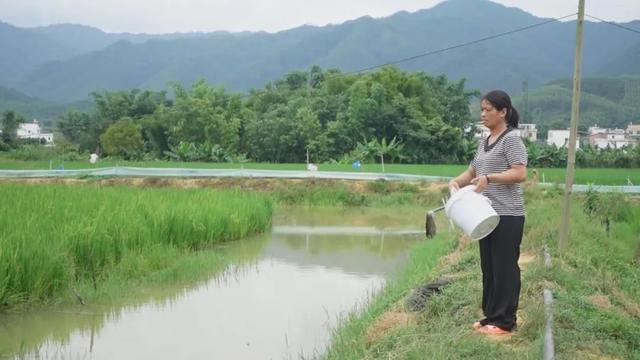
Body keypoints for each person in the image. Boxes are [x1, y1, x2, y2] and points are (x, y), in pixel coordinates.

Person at [449, 90, 528, 335]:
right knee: (490, 268)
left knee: (505, 267)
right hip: (483, 214)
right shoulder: (485, 142)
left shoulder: (511, 139)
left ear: (503, 112)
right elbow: (472, 172)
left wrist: (489, 178)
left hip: (508, 215)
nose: (482, 114)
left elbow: (519, 173)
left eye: (488, 110)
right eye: (481, 109)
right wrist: (455, 183)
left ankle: (505, 321)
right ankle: (491, 316)